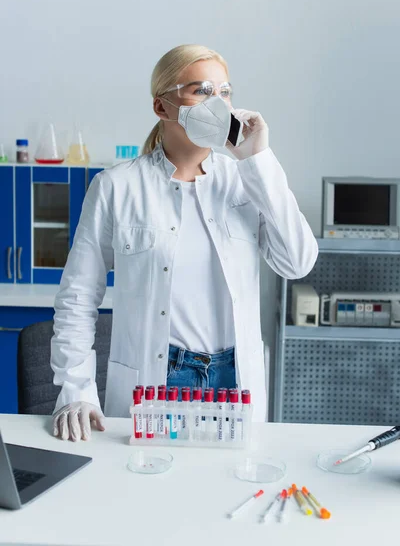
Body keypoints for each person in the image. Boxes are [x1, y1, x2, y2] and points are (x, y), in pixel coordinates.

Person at [51, 44, 318, 441]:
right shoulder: (117, 187)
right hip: (157, 378)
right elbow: (77, 296)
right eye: (202, 90)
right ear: (162, 107)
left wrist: (258, 160)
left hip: (235, 378)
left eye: (224, 92)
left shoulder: (246, 181)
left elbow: (297, 262)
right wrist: (76, 389)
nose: (218, 103)